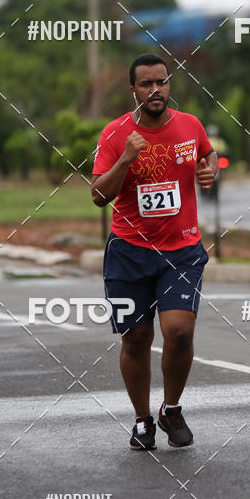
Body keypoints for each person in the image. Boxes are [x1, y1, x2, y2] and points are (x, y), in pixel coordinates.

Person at [91, 53, 217, 450]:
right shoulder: (115, 135)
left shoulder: (189, 125)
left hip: (181, 251)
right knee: (137, 338)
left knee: (179, 333)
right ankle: (143, 419)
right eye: (146, 84)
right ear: (133, 90)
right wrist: (127, 158)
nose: (155, 90)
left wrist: (209, 167)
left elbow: (206, 153)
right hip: (129, 252)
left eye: (161, 82)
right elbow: (98, 195)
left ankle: (171, 408)